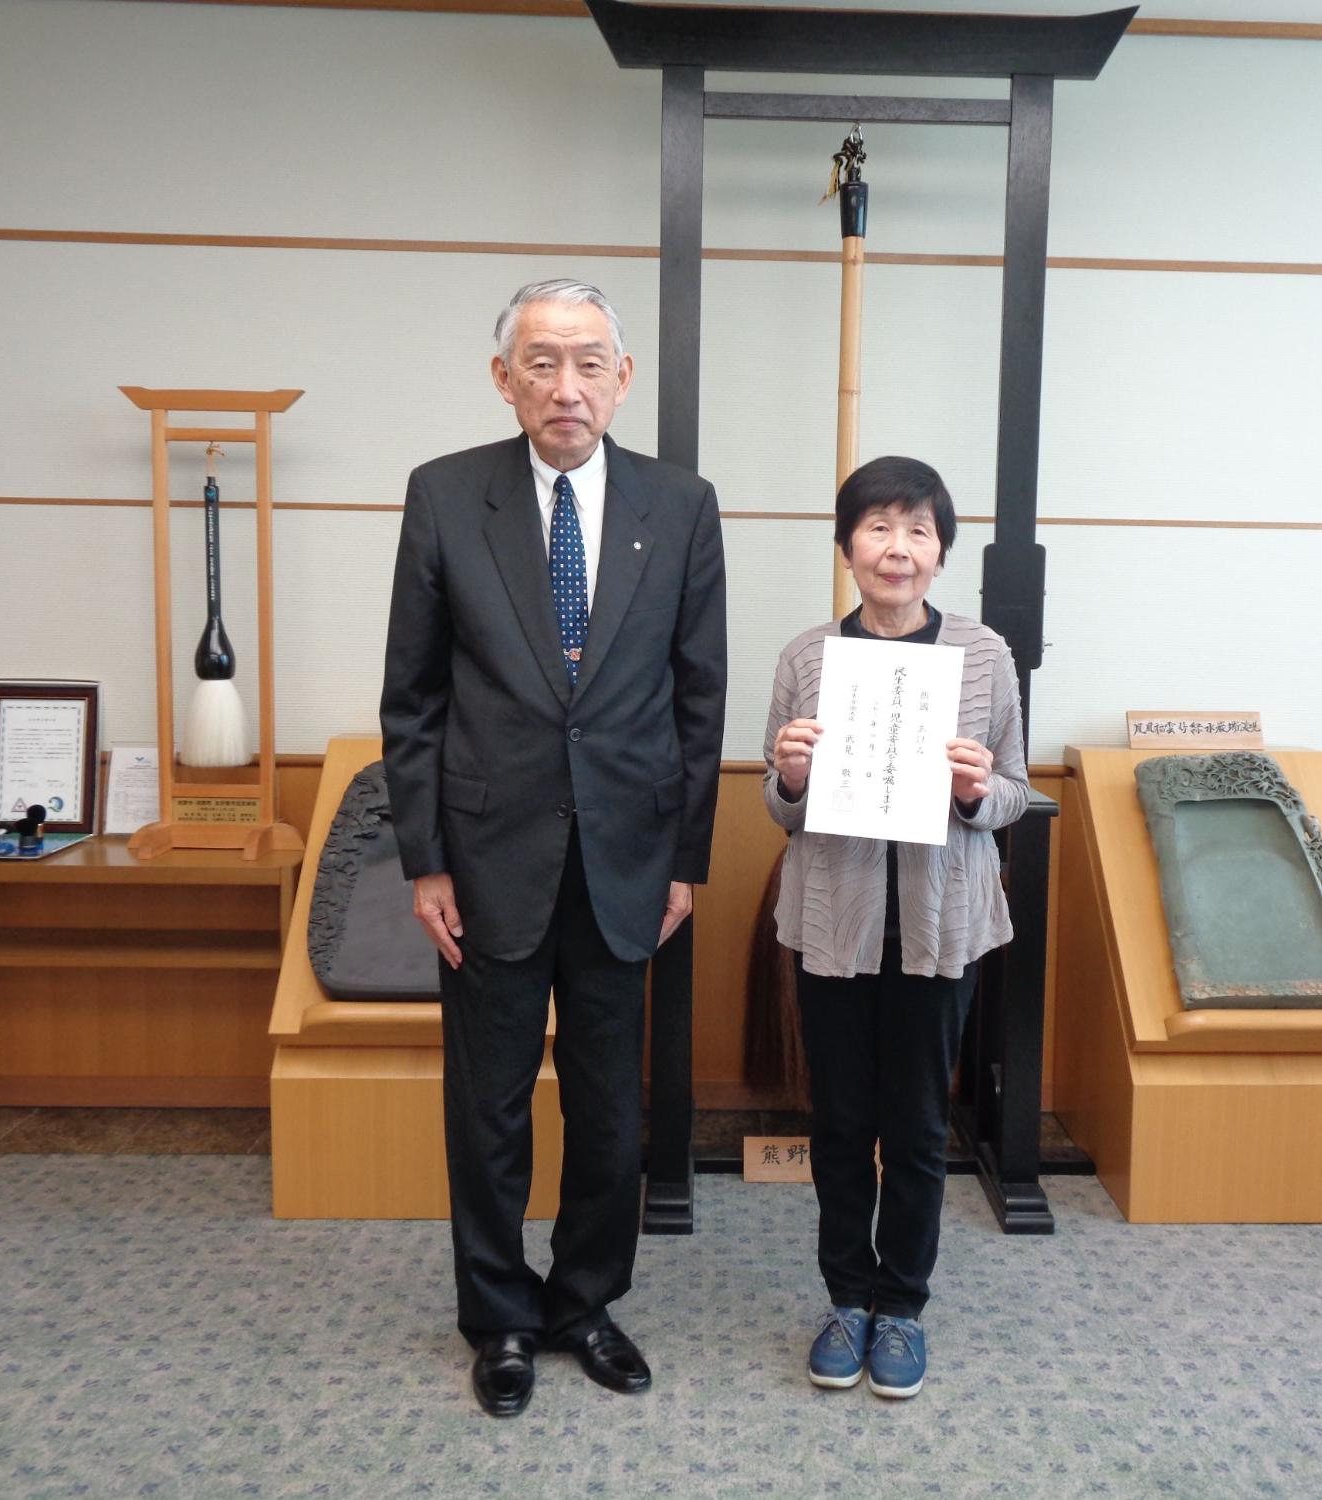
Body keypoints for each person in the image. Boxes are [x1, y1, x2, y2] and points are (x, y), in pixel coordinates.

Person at [382, 279, 727, 1418]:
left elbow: (697, 695)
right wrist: (424, 861)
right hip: (484, 860)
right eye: (541, 362)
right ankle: (499, 1317)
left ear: (621, 380)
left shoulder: (679, 504)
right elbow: (413, 698)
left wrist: (687, 860)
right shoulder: (445, 496)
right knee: (485, 1104)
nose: (565, 386)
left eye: (588, 363)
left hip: (627, 855)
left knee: (607, 1106)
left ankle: (583, 1301)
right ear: (503, 378)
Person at [762, 456, 1029, 1400]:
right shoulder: (806, 658)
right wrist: (791, 778)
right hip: (835, 920)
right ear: (847, 547)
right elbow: (778, 803)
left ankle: (902, 1307)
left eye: (917, 529)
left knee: (916, 1128)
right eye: (877, 527)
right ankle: (846, 1297)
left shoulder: (985, 656)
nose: (897, 548)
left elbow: (1013, 793)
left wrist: (972, 790)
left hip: (938, 923)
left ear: (941, 551)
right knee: (839, 1125)